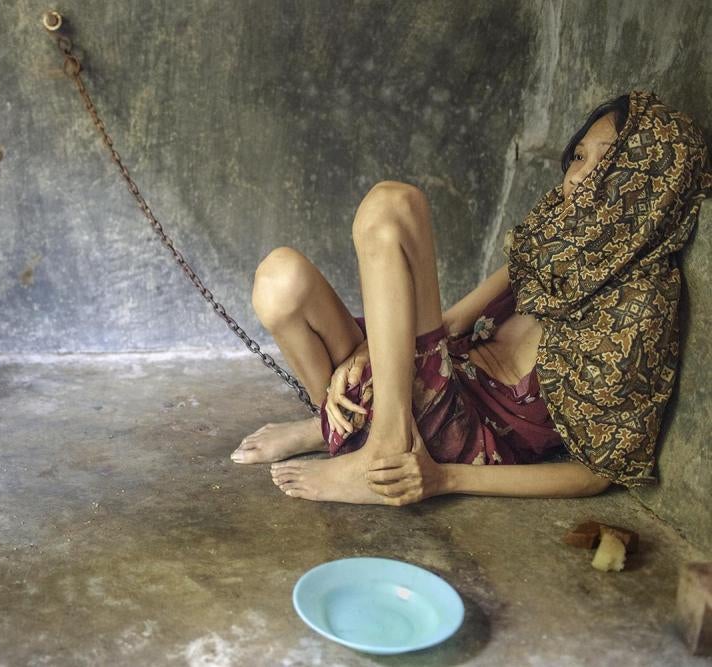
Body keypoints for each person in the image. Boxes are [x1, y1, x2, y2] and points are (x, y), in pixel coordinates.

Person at [232, 90, 712, 505]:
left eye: (601, 163)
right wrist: (364, 355)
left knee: (394, 205)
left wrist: (446, 480)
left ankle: (384, 449)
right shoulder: (557, 241)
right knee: (281, 278)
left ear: (645, 187)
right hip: (434, 379)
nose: (575, 177)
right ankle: (337, 423)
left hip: (460, 436)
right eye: (578, 157)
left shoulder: (638, 308)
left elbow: (596, 474)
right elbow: (453, 321)